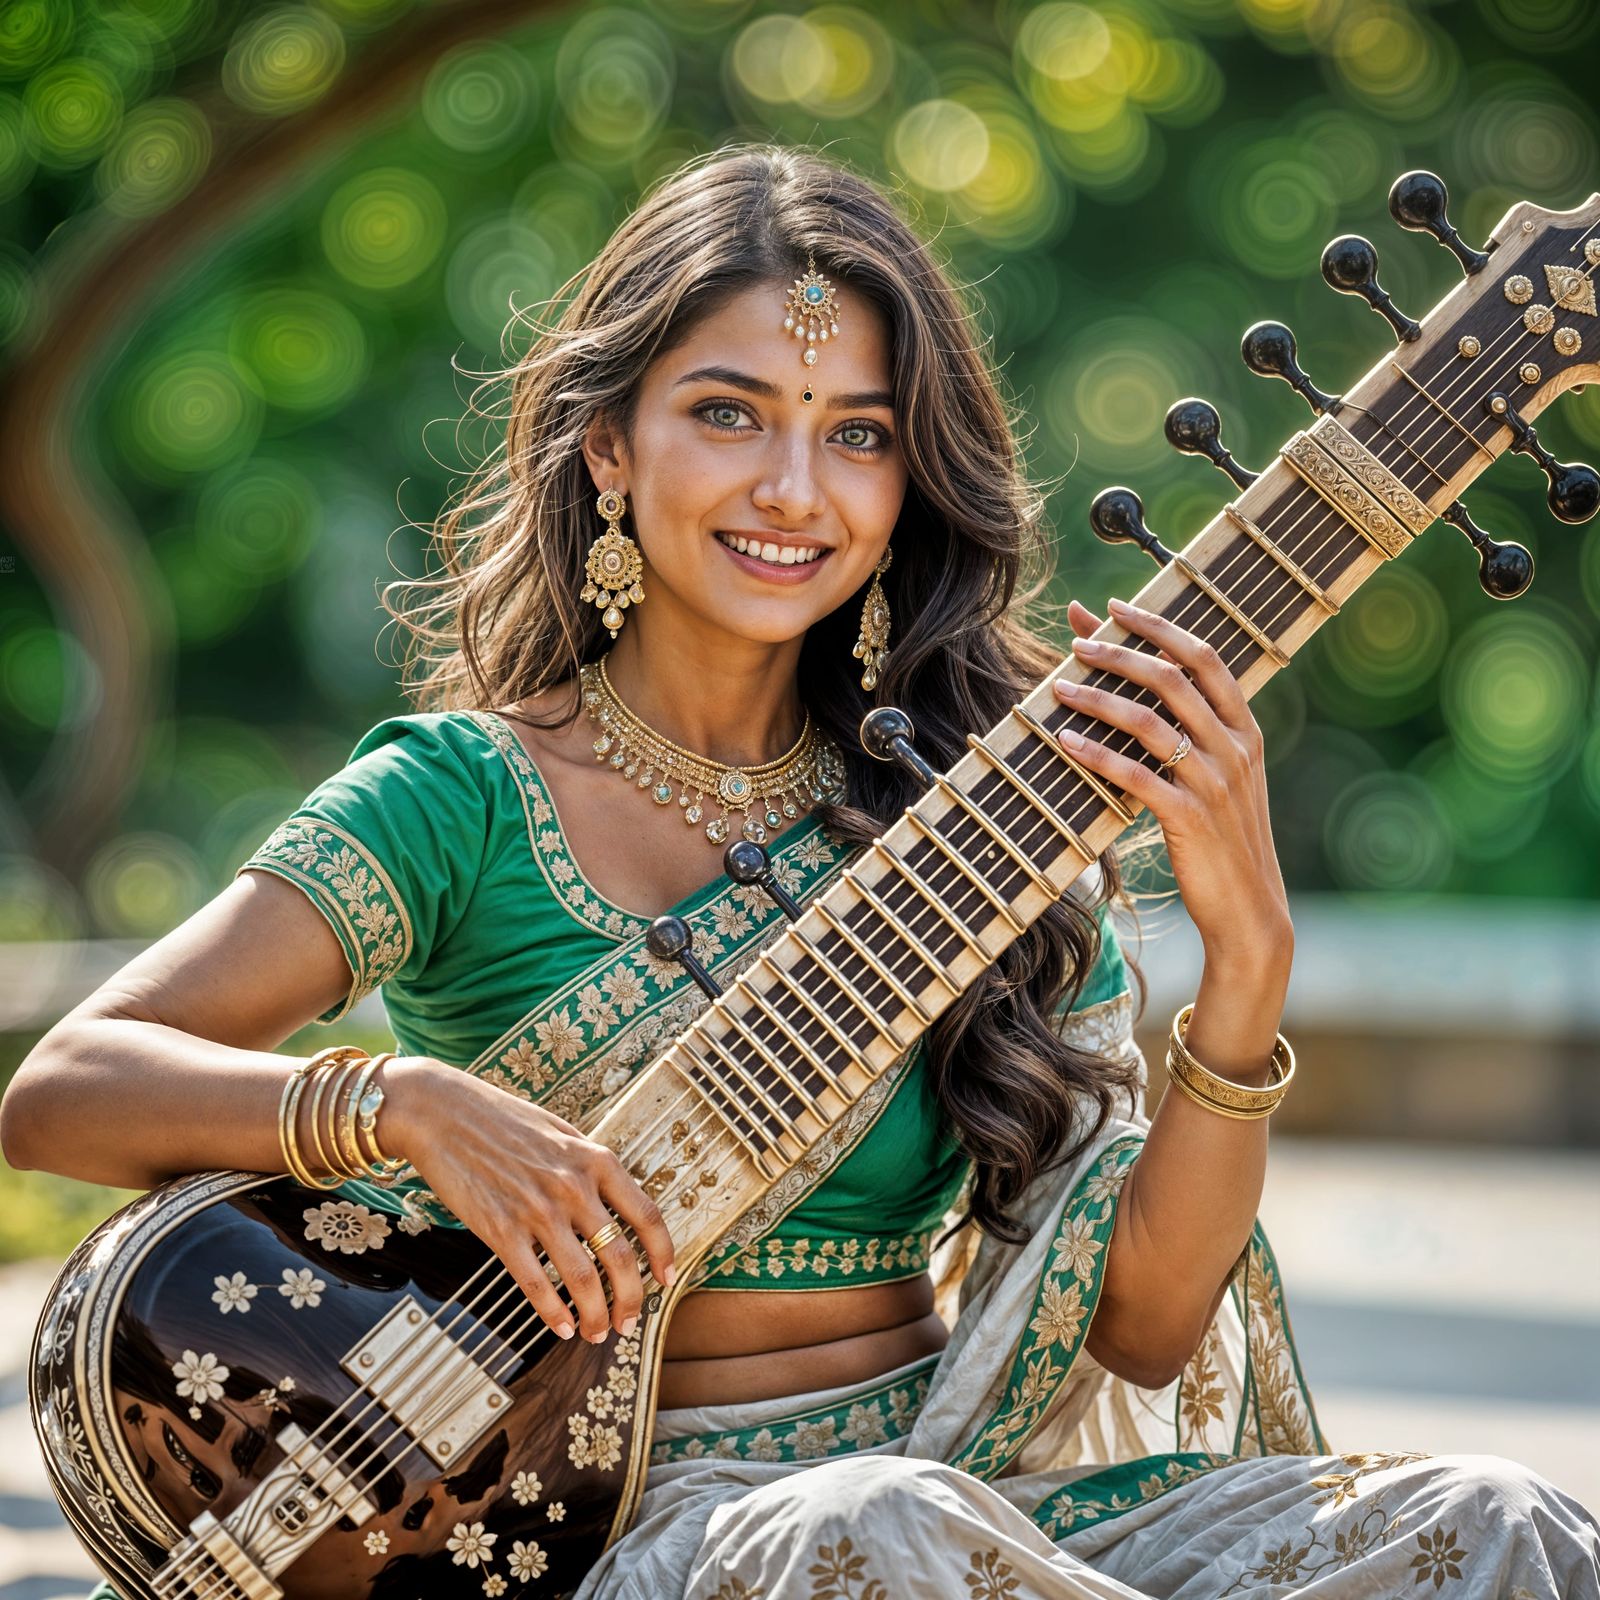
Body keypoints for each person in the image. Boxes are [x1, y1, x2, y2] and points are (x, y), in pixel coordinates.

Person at [5, 143, 1595, 1600]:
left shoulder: (974, 824)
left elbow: (1145, 1325)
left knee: (1500, 1525)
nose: (794, 490)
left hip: (970, 1502)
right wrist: (403, 1106)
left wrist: (1246, 974)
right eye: (727, 413)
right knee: (874, 1535)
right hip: (621, 1535)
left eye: (860, 438)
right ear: (607, 449)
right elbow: (66, 1087)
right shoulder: (464, 797)